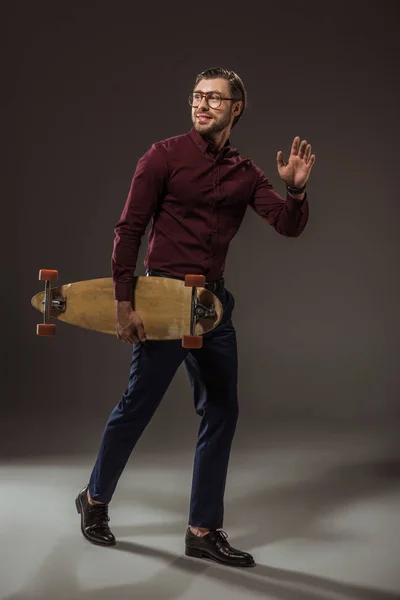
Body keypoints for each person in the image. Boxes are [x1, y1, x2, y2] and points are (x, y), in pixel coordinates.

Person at [75, 67, 316, 568]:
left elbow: (286, 225)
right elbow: (128, 229)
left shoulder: (246, 172)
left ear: (236, 108)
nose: (202, 105)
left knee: (221, 413)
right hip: (163, 302)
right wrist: (125, 302)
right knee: (137, 406)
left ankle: (202, 530)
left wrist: (295, 191)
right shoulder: (162, 157)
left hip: (213, 309)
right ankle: (94, 500)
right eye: (197, 96)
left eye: (214, 98)